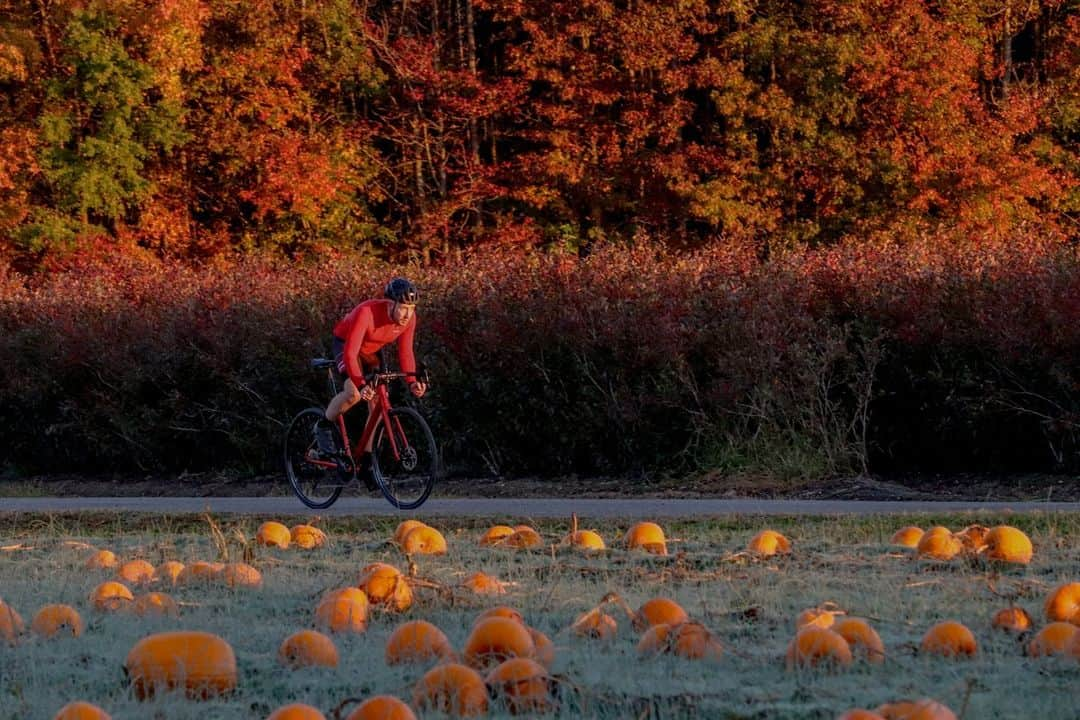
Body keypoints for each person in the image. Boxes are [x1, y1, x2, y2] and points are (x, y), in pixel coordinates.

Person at [316, 277, 427, 483]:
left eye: (411, 308)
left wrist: (412, 381)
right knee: (354, 394)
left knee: (379, 401)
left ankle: (367, 462)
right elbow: (350, 353)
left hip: (371, 352)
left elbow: (406, 353)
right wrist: (360, 383)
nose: (407, 314)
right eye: (403, 308)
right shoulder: (366, 312)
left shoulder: (409, 319)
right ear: (390, 303)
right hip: (347, 346)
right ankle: (323, 425)